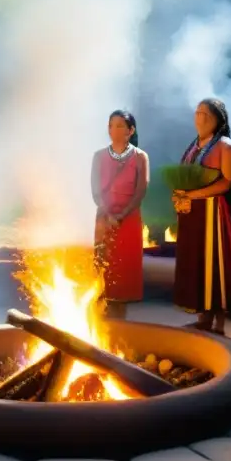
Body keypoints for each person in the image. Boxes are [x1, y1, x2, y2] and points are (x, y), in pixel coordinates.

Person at [172, 98, 231, 336]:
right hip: (194, 213)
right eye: (198, 113)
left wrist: (194, 194)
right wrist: (181, 196)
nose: (200, 118)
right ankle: (203, 317)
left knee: (216, 264)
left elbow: (227, 182)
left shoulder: (225, 145)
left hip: (216, 212)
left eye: (206, 115)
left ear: (218, 120)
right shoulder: (194, 145)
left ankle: (219, 323)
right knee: (197, 262)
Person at [92, 110, 150, 319]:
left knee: (124, 269)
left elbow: (141, 190)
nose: (113, 130)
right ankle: (100, 317)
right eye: (111, 125)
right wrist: (108, 213)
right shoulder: (99, 156)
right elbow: (95, 190)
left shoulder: (140, 157)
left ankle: (120, 320)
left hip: (129, 219)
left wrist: (123, 214)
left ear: (131, 130)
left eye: (119, 125)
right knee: (103, 265)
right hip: (104, 218)